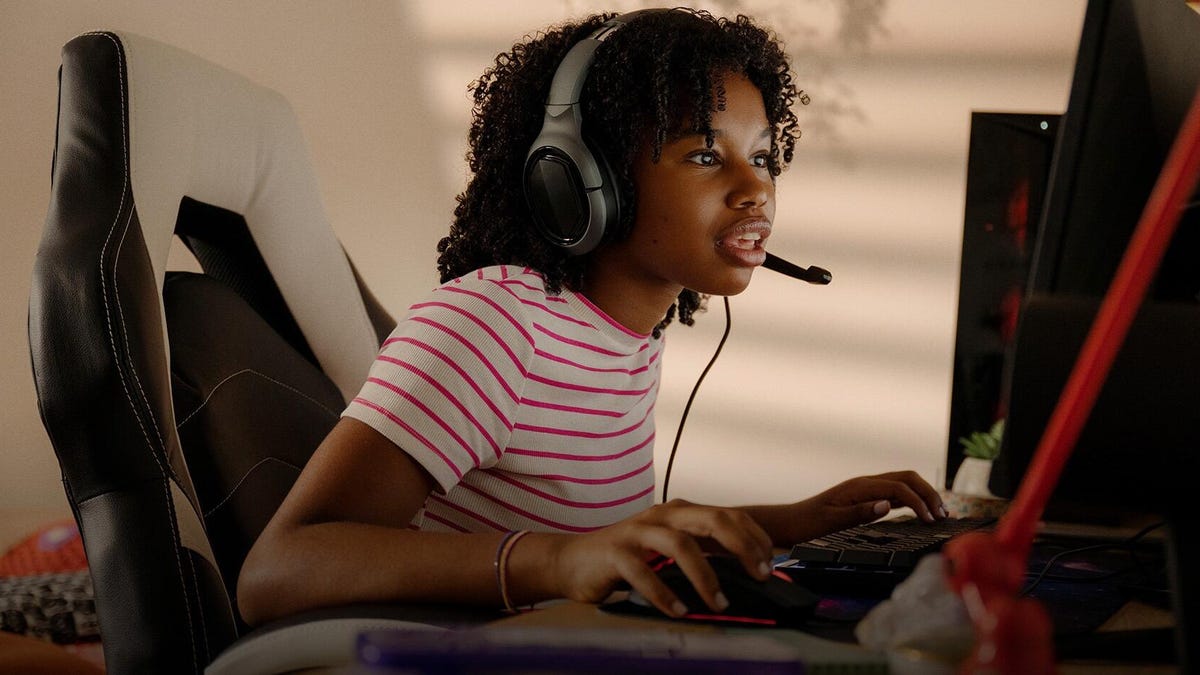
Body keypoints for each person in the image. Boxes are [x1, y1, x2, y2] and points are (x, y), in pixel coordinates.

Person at [237, 7, 947, 627]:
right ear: (579, 179)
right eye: (706, 153)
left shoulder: (626, 337)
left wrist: (783, 523)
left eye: (762, 156)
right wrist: (553, 561)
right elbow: (277, 571)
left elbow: (599, 535)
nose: (755, 188)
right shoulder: (493, 324)